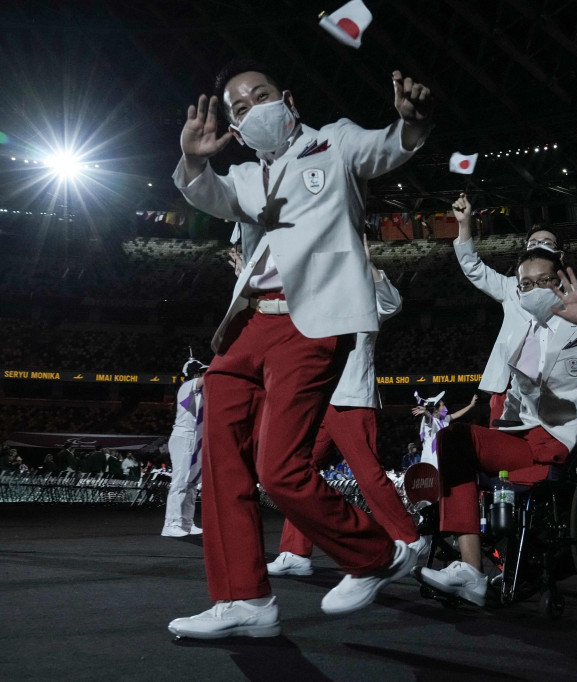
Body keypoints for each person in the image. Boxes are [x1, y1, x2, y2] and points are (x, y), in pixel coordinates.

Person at [167, 59, 433, 639]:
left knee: (280, 472)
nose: (253, 107)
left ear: (286, 99)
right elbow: (207, 194)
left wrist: (411, 123)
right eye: (240, 108)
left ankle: (376, 554)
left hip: (310, 324)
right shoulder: (243, 176)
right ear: (234, 130)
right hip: (245, 327)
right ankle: (244, 599)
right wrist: (193, 158)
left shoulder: (332, 143)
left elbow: (385, 148)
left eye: (260, 95)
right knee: (220, 462)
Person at [418, 256, 577, 606]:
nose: (534, 289)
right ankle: (471, 569)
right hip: (525, 438)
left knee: (516, 465)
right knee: (453, 440)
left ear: (559, 282)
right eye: (525, 284)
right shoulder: (519, 336)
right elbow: (515, 402)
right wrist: (492, 438)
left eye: (544, 280)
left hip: (573, 441)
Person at [267, 240, 426, 577]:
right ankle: (295, 552)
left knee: (368, 475)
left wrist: (368, 265)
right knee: (299, 470)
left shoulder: (365, 299)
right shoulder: (317, 300)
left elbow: (393, 302)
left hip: (352, 398)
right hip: (320, 397)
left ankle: (409, 539)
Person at [451, 193, 565, 426]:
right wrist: (464, 225)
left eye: (547, 243)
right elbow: (473, 268)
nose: (539, 245)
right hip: (507, 389)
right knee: (501, 453)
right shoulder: (510, 286)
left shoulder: (572, 296)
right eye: (533, 243)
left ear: (560, 255)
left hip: (552, 390)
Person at [162, 358, 206, 538]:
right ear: (195, 374)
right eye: (202, 372)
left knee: (191, 483)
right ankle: (170, 524)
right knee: (180, 482)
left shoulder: (196, 390)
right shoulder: (187, 386)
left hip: (192, 437)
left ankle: (186, 523)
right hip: (184, 436)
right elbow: (209, 377)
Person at [412, 392, 478, 468]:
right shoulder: (431, 421)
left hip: (441, 457)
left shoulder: (444, 419)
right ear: (436, 410)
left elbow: (456, 414)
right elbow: (428, 417)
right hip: (431, 461)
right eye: (443, 406)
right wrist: (425, 412)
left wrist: (471, 405)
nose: (445, 407)